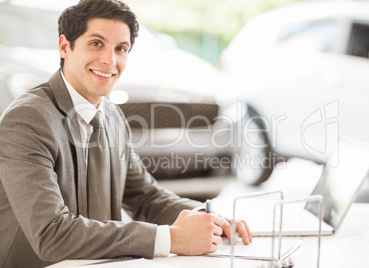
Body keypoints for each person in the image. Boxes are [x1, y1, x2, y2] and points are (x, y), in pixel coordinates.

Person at [0, 0, 252, 267]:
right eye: (96, 43)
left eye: (120, 49)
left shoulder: (110, 114)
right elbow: (51, 234)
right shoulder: (28, 119)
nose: (110, 60)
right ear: (65, 46)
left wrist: (204, 217)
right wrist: (171, 238)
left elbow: (144, 196)